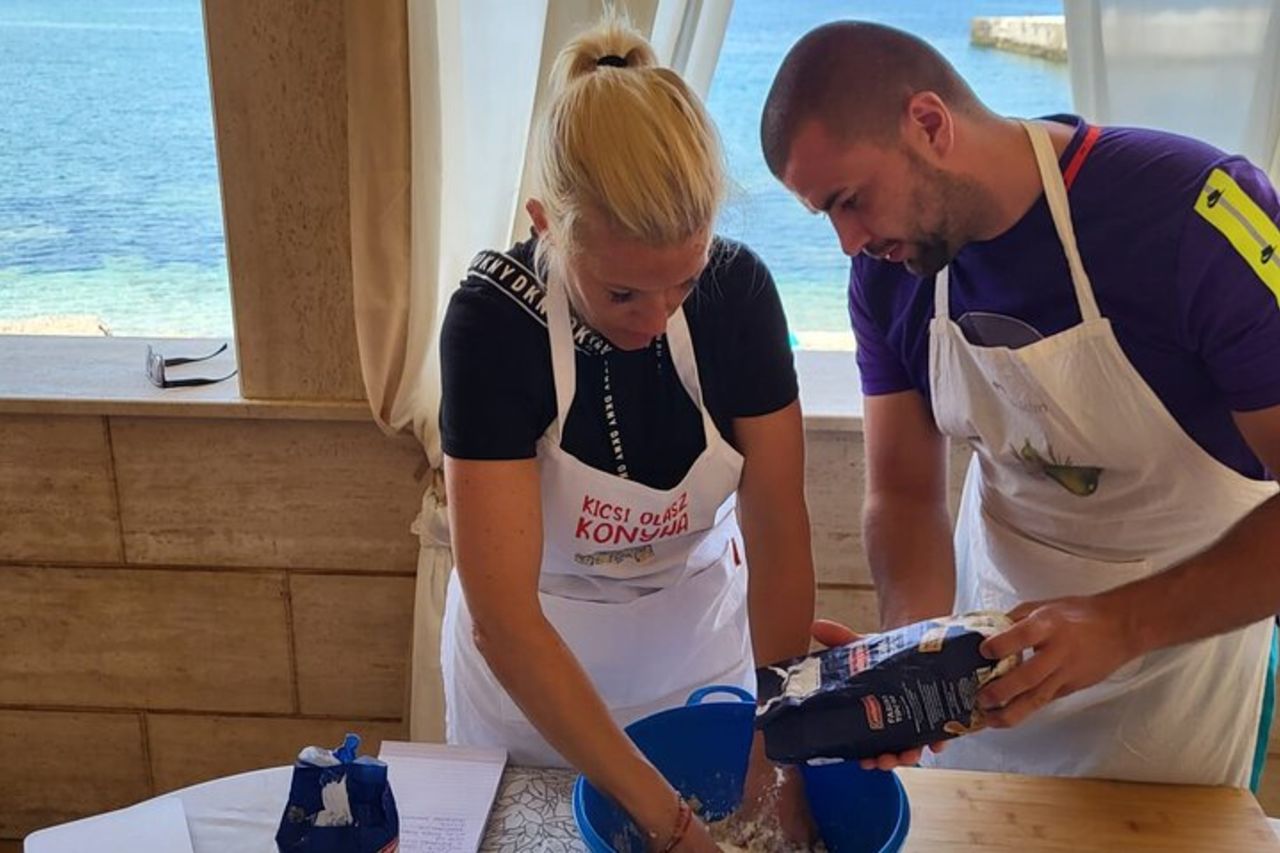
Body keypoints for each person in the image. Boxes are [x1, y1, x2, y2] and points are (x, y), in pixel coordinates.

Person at [760, 20, 1280, 790]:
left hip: (1178, 677)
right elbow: (904, 494)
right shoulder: (891, 274)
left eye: (851, 201)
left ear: (929, 124)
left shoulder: (1195, 216)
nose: (847, 241)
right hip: (990, 665)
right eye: (826, 215)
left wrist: (1120, 624)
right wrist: (911, 654)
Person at [438, 15, 817, 850]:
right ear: (546, 223)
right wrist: (671, 823)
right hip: (534, 688)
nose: (655, 317)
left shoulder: (739, 295)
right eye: (621, 294)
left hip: (696, 662)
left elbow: (780, 533)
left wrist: (777, 741)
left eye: (681, 282)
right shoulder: (491, 325)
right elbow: (504, 620)